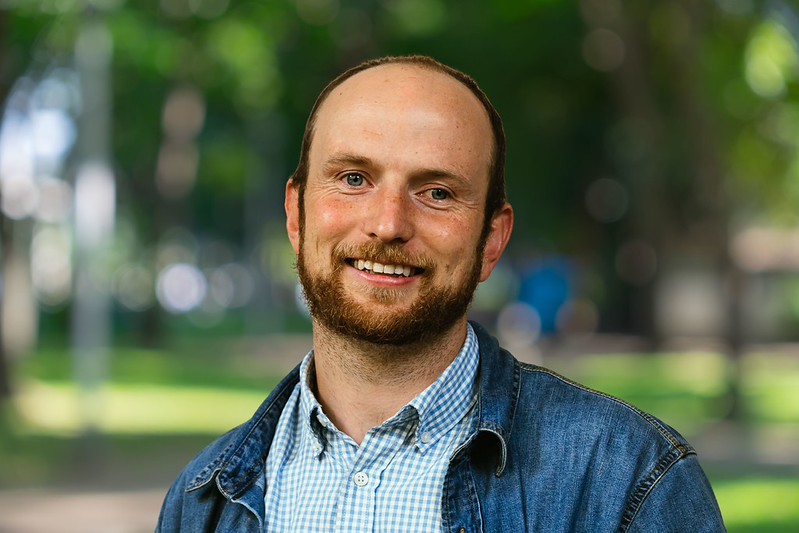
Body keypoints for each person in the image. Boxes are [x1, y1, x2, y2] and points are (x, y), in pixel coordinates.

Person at [157, 55, 725, 532]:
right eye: (353, 178)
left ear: (491, 241)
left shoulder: (627, 480)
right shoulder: (202, 501)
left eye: (436, 191)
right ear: (296, 215)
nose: (388, 224)